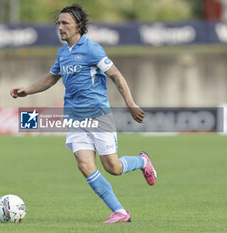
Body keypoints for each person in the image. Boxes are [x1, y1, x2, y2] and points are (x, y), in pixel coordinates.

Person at [10, 4, 157, 223]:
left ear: (79, 25)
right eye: (58, 23)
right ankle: (120, 212)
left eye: (65, 23)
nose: (60, 27)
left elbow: (116, 76)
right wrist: (27, 91)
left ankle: (142, 161)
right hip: (75, 118)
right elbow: (51, 78)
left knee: (113, 168)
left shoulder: (92, 49)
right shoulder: (62, 53)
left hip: (98, 115)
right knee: (84, 165)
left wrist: (131, 103)